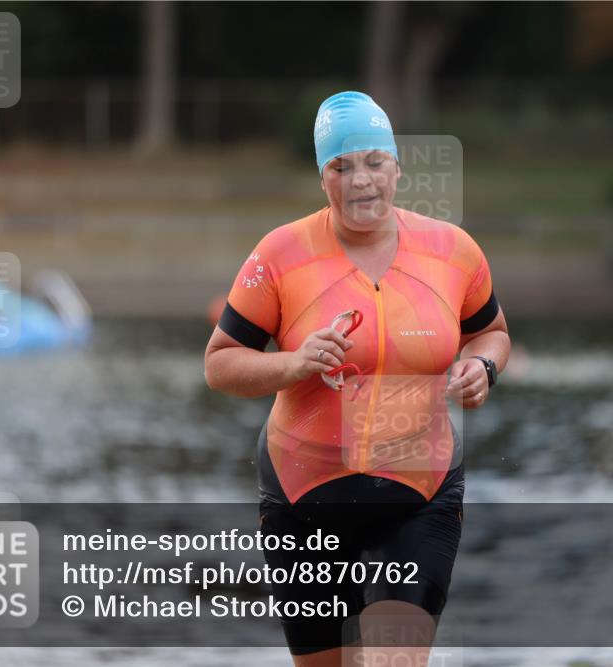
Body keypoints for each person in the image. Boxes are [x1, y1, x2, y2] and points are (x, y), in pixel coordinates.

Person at [204, 91, 509, 667]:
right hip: (304, 497)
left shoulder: (454, 251)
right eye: (341, 166)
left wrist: (482, 365)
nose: (361, 181)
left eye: (374, 161)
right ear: (323, 178)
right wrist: (293, 364)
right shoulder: (281, 253)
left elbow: (492, 332)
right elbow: (220, 364)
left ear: (398, 166)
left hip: (420, 492)